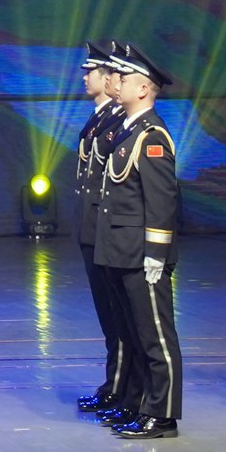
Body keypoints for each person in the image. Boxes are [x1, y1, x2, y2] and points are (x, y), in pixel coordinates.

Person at [93, 42, 184, 438]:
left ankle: (162, 414)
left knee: (155, 336)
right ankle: (140, 403)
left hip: (141, 253)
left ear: (145, 88)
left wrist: (156, 253)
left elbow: (161, 201)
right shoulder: (130, 132)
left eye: (126, 78)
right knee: (134, 333)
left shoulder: (152, 136)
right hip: (121, 250)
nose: (118, 82)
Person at [68, 43, 135, 420]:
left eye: (92, 72)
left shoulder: (118, 121)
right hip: (92, 227)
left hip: (107, 229)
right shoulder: (100, 119)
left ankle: (120, 387)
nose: (86, 78)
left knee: (119, 316)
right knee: (109, 317)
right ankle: (115, 384)